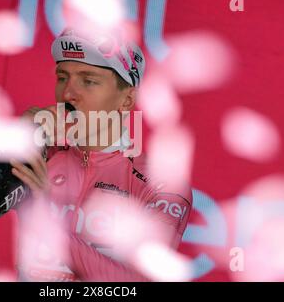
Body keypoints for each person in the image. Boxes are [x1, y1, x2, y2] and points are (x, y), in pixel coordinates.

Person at [10, 27, 192, 282]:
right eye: (63, 77)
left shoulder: (161, 182)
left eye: (89, 80)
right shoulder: (44, 155)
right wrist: (8, 147)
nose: (68, 94)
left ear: (126, 100)